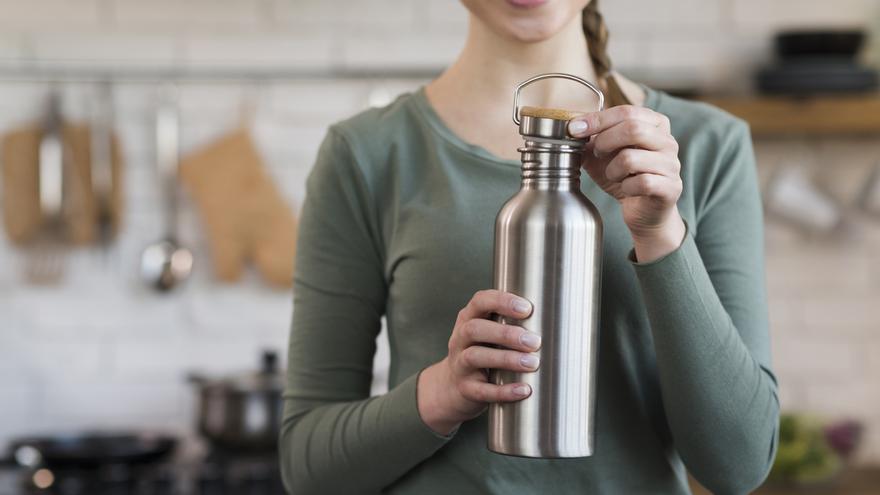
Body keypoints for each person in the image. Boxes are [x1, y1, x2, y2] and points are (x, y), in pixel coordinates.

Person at [280, 0, 779, 493]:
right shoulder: (365, 155)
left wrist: (660, 233)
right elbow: (309, 469)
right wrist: (442, 393)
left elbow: (739, 466)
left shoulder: (707, 146)